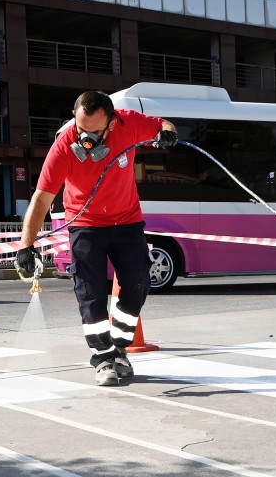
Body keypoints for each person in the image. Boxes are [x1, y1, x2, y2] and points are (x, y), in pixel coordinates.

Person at [15, 91, 177, 387]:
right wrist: (26, 246)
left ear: (112, 123)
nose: (84, 138)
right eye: (80, 128)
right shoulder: (64, 146)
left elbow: (163, 125)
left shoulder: (129, 123)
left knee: (138, 284)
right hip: (86, 224)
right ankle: (103, 357)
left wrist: (167, 133)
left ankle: (120, 347)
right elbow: (42, 197)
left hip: (127, 221)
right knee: (90, 293)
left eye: (93, 131)